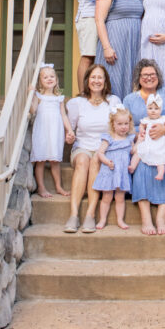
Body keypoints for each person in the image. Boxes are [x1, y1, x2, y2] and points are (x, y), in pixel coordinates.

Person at [123, 59, 165, 235]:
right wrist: (138, 135)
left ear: (158, 76)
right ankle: (146, 219)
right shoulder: (129, 99)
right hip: (141, 143)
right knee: (140, 167)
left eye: (152, 74)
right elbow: (123, 125)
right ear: (138, 78)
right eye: (144, 75)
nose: (149, 78)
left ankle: (161, 218)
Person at [64, 64, 121, 233]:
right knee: (83, 161)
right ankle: (73, 215)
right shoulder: (77, 103)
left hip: (103, 151)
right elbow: (70, 129)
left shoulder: (114, 101)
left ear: (105, 81)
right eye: (93, 77)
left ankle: (90, 214)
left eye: (100, 77)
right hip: (81, 147)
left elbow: (120, 129)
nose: (96, 81)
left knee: (95, 160)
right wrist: (69, 136)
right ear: (87, 80)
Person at [95, 0, 144, 100]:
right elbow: (99, 20)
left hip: (134, 43)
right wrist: (106, 47)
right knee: (114, 76)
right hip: (115, 41)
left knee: (132, 77)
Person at [28, 63, 72, 198]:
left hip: (55, 132)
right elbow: (33, 110)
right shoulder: (39, 96)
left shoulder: (59, 98)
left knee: (55, 161)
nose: (49, 79)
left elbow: (64, 115)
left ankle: (58, 186)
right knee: (40, 160)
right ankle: (41, 187)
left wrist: (69, 130)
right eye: (45, 77)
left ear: (56, 80)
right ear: (40, 81)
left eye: (52, 76)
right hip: (42, 131)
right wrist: (31, 94)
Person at [93, 105, 135, 230]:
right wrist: (106, 161)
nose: (123, 127)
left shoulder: (129, 139)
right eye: (120, 124)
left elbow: (134, 151)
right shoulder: (108, 138)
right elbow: (100, 153)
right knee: (106, 197)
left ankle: (120, 220)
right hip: (110, 171)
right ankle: (102, 219)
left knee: (120, 198)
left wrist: (142, 141)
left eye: (126, 124)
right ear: (113, 125)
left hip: (122, 173)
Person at [129, 93, 165, 182]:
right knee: (138, 153)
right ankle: (132, 166)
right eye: (150, 108)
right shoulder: (146, 119)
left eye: (156, 109)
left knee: (160, 158)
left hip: (160, 144)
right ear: (146, 108)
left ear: (161, 109)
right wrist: (142, 130)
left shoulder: (164, 119)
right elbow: (141, 125)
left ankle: (160, 173)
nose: (153, 111)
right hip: (148, 143)